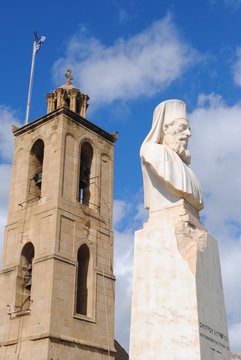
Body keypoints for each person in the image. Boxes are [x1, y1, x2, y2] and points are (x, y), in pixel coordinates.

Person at [140, 99, 203, 212]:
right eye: (183, 128)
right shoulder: (152, 152)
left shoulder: (190, 172)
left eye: (188, 129)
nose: (189, 134)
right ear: (165, 128)